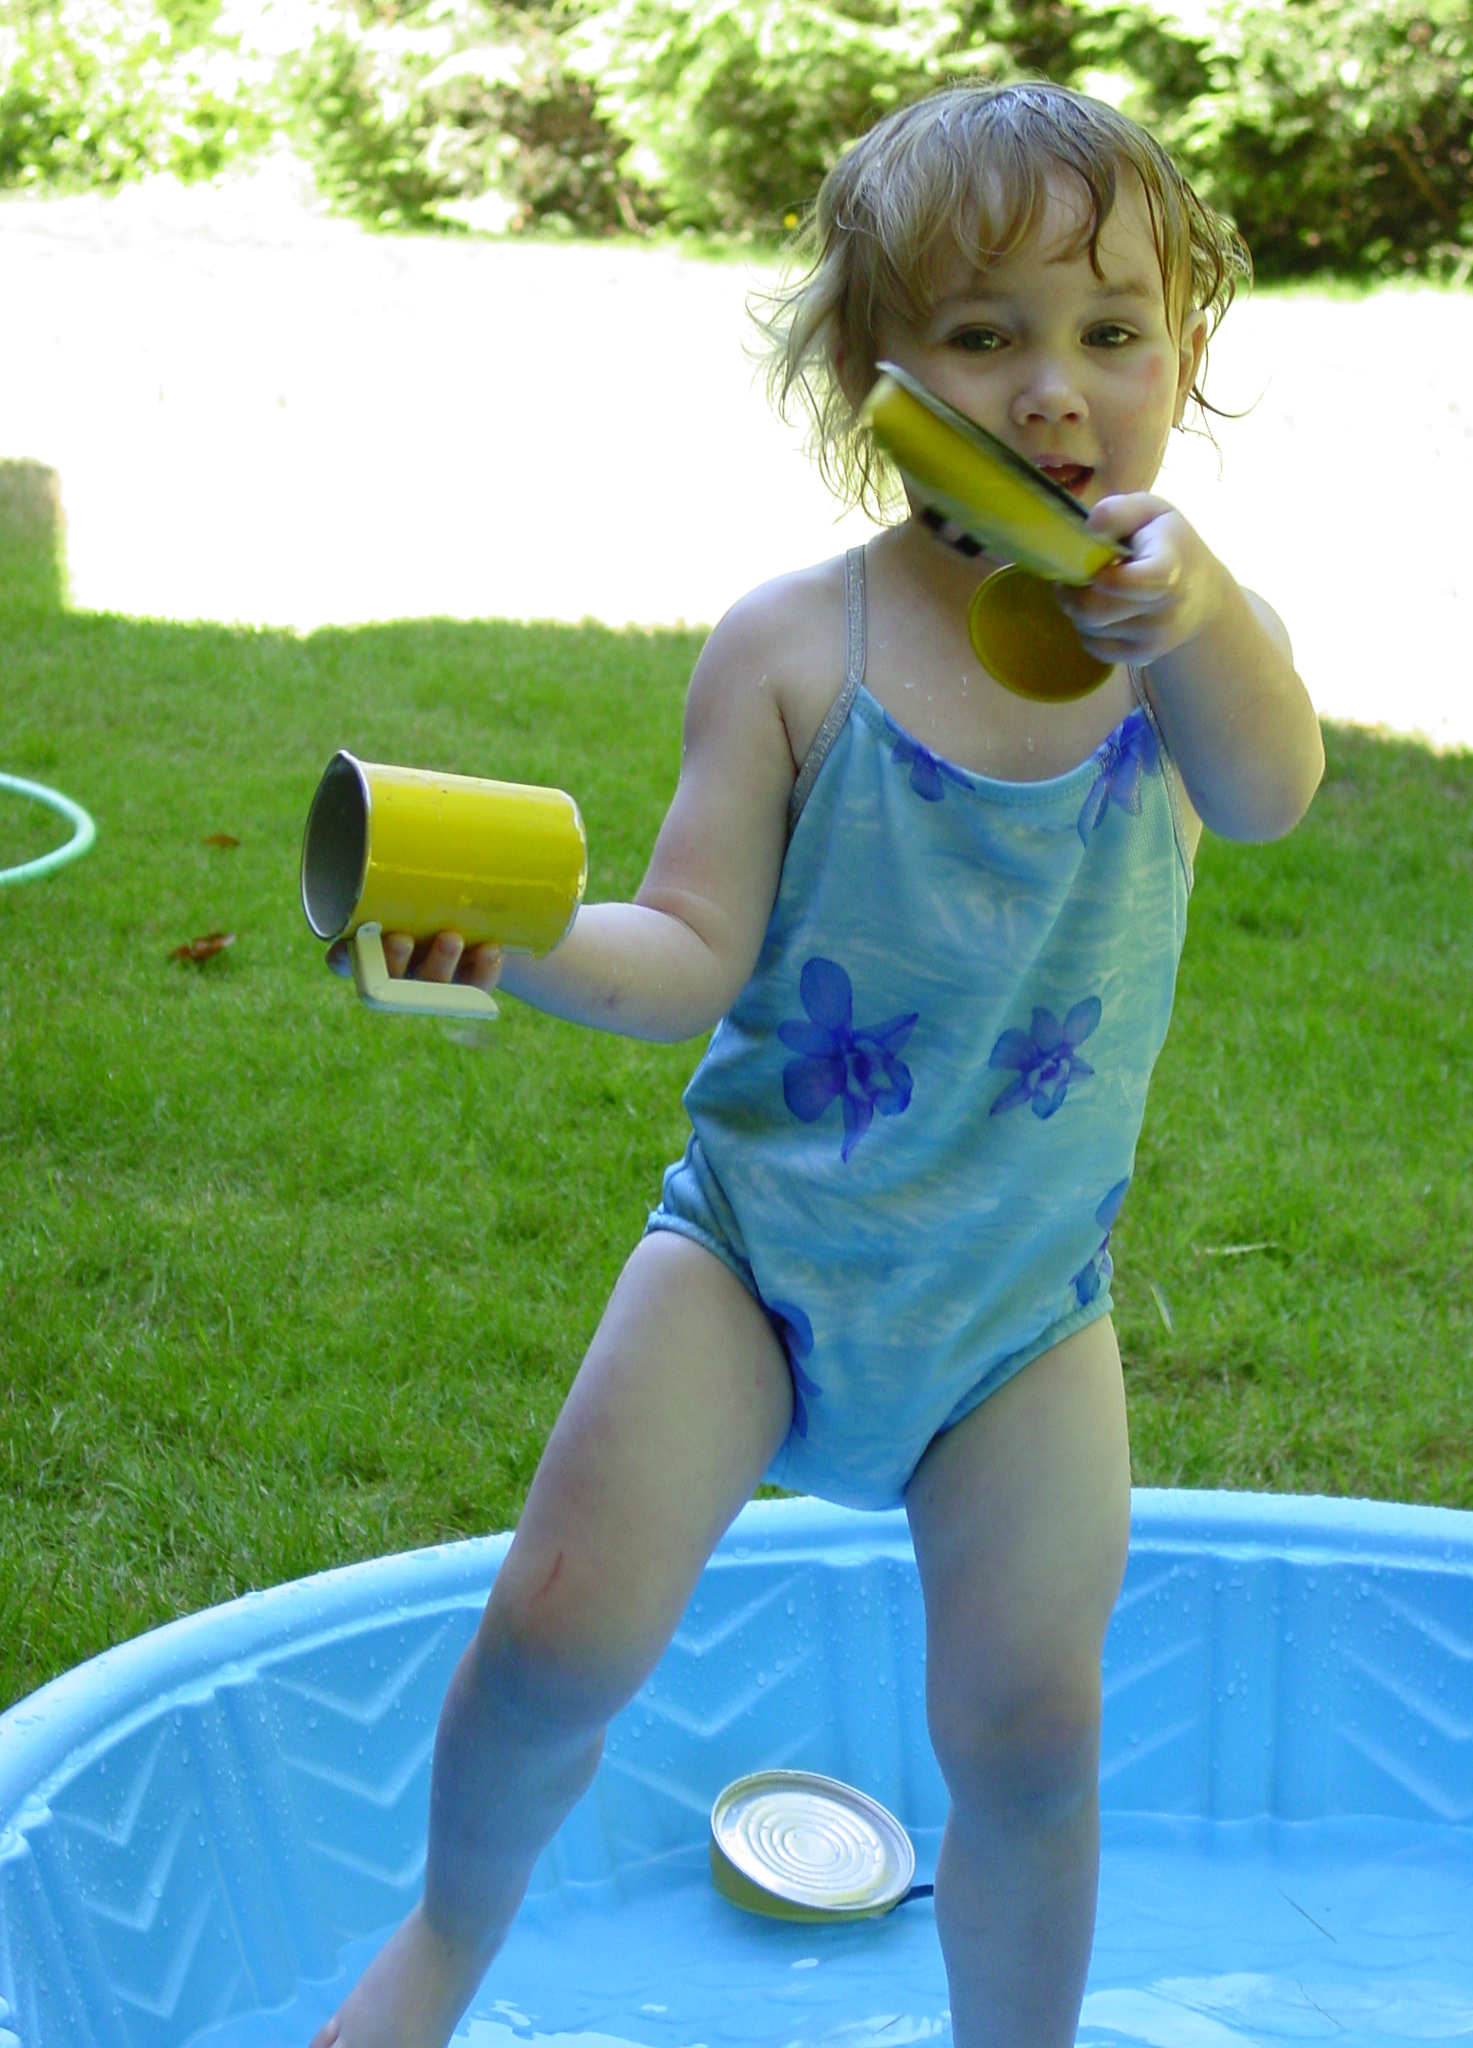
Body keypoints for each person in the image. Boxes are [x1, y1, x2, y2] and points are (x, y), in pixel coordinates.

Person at [314, 79, 1324, 2048]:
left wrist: (1195, 614)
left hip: (1019, 1313)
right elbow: (687, 956)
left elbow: (1271, 790)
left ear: (1183, 359)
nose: (1057, 390)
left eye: (1113, 334)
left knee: (1030, 1730)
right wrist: (514, 941)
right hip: (756, 1263)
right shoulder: (796, 650)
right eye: (987, 334)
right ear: (878, 374)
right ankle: (440, 1943)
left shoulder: (1194, 654)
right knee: (554, 1633)